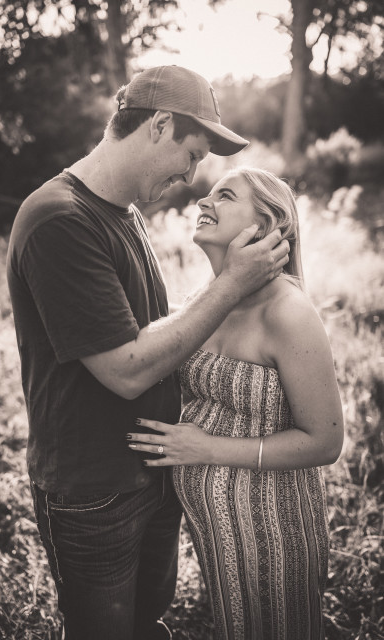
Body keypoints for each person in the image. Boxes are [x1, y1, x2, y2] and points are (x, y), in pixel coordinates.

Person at [6, 65, 290, 640]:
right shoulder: (60, 219)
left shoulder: (124, 210)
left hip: (151, 472)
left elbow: (151, 325)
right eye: (191, 155)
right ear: (159, 125)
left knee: (146, 620)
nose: (191, 176)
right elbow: (126, 370)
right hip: (95, 491)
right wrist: (231, 285)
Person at [127, 167, 344, 640]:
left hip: (274, 534)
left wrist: (206, 449)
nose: (204, 202)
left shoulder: (288, 312)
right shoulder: (207, 302)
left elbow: (325, 442)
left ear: (266, 226)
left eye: (225, 196)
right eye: (207, 194)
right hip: (217, 536)